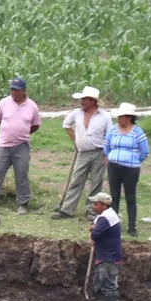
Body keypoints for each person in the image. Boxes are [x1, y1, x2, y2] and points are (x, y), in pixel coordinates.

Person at [0, 75, 40, 215]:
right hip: (3, 144)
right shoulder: (4, 103)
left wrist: (21, 133)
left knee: (21, 175)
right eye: (12, 90)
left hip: (22, 145)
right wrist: (7, 131)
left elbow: (35, 125)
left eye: (17, 90)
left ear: (24, 90)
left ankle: (23, 203)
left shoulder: (32, 106)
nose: (14, 93)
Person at [52, 86, 110, 219]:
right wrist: (75, 140)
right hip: (82, 153)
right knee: (76, 180)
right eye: (82, 99)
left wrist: (108, 153)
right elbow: (66, 125)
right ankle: (67, 209)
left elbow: (109, 135)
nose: (82, 102)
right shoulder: (76, 113)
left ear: (93, 101)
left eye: (85, 100)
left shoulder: (105, 116)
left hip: (99, 152)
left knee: (96, 182)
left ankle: (92, 210)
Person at [104, 102, 150, 234]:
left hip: (131, 169)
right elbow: (106, 146)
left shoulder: (137, 132)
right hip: (114, 167)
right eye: (118, 117)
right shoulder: (112, 130)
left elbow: (144, 152)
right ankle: (113, 226)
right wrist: (112, 157)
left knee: (130, 197)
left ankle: (132, 227)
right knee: (114, 196)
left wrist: (134, 161)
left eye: (122, 117)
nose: (119, 119)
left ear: (129, 118)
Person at [88, 190, 123, 301]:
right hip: (105, 254)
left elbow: (96, 234)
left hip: (109, 256)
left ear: (104, 205)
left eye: (96, 204)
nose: (94, 206)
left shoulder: (106, 217)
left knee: (108, 284)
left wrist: (92, 232)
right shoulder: (106, 215)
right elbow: (97, 228)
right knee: (101, 283)